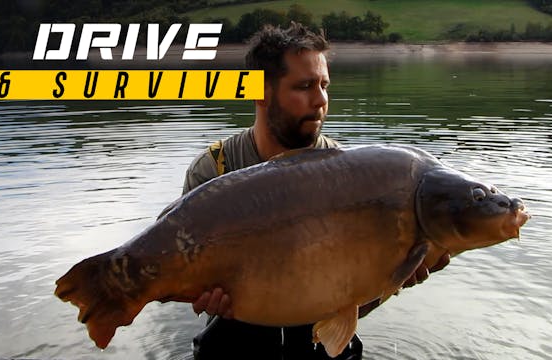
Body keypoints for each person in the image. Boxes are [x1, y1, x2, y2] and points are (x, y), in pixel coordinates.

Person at [180, 22, 450, 360]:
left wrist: (392, 279)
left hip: (319, 341)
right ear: (260, 92)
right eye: (305, 86)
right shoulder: (214, 169)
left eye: (324, 85)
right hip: (238, 337)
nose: (320, 100)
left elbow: (349, 299)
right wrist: (196, 292)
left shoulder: (350, 173)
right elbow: (186, 273)